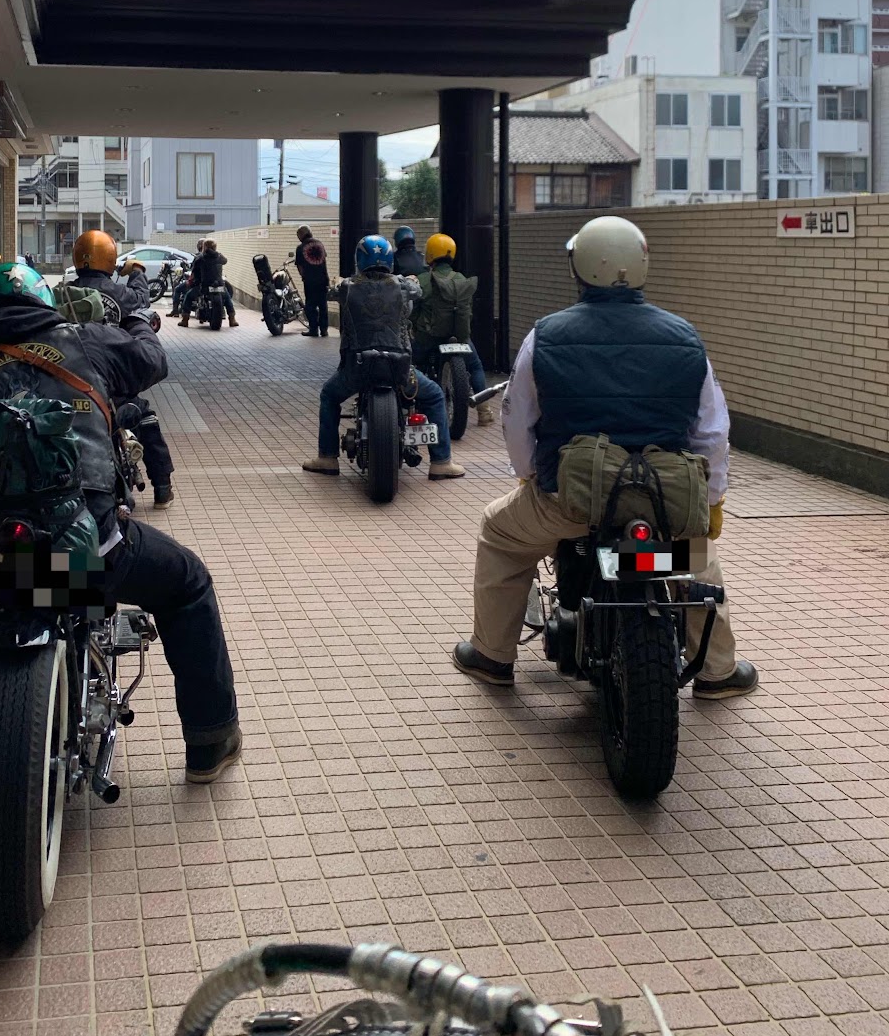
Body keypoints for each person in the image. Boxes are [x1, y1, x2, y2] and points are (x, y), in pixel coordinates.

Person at [0, 261, 241, 786]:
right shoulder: (86, 343)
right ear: (44, 304)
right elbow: (153, 358)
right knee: (188, 583)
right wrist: (133, 313)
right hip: (88, 547)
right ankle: (210, 742)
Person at [452, 215, 758, 700]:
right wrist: (713, 500)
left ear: (580, 268)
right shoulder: (684, 336)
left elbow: (516, 419)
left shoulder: (546, 335)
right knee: (695, 559)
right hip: (663, 502)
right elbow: (712, 431)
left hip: (570, 501)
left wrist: (530, 476)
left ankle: (492, 655)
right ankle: (718, 671)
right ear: (642, 266)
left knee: (500, 533)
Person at [302, 234, 465, 480]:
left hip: (357, 367)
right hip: (399, 368)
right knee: (433, 395)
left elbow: (330, 292)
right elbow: (418, 291)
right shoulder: (403, 285)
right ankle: (441, 462)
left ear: (359, 259)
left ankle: (327, 458)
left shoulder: (347, 287)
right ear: (389, 259)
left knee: (329, 395)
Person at [69, 230, 176, 510]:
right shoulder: (120, 293)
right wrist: (137, 271)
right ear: (109, 258)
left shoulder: (64, 292)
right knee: (144, 417)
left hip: (71, 375)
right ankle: (162, 487)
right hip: (114, 373)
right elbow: (142, 300)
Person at [412, 233, 495, 428]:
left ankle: (414, 407)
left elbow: (413, 311)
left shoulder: (423, 280)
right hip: (459, 336)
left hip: (429, 338)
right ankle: (484, 411)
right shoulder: (461, 279)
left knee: (412, 365)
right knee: (475, 366)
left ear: (430, 254)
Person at [179, 238, 238, 328]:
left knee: (188, 296)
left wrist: (193, 281)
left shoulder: (200, 258)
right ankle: (232, 319)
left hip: (204, 286)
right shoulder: (219, 256)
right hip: (219, 285)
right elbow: (225, 261)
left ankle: (185, 320)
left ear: (204, 246)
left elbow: (194, 272)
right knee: (227, 298)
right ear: (215, 247)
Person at [294, 224, 331, 338]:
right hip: (323, 279)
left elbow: (300, 267)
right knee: (323, 305)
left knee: (310, 306)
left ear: (301, 235)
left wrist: (304, 276)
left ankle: (314, 329)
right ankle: (324, 330)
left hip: (310, 281)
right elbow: (323, 259)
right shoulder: (319, 244)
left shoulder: (300, 248)